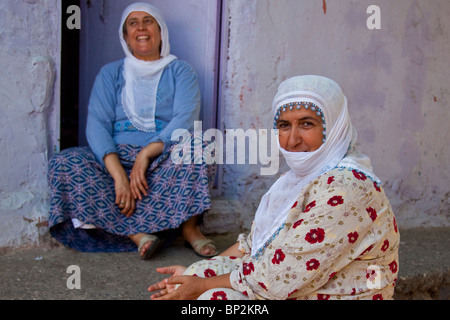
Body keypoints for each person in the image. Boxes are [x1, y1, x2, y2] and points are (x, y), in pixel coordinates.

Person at [148, 75, 400, 300]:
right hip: (293, 283)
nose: (292, 139)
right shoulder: (296, 180)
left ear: (334, 127)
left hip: (322, 291)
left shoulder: (349, 187)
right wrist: (196, 277)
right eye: (284, 125)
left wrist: (199, 287)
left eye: (307, 124)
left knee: (215, 300)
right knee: (197, 273)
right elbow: (252, 246)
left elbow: (279, 277)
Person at [48, 2, 217, 259]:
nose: (141, 28)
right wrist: (118, 175)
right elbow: (97, 124)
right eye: (133, 23)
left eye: (148, 21)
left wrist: (147, 153)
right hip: (115, 157)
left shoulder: (181, 71)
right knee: (64, 162)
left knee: (201, 145)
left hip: (163, 157)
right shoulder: (110, 74)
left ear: (161, 31)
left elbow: (186, 118)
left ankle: (190, 228)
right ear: (125, 35)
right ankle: (137, 235)